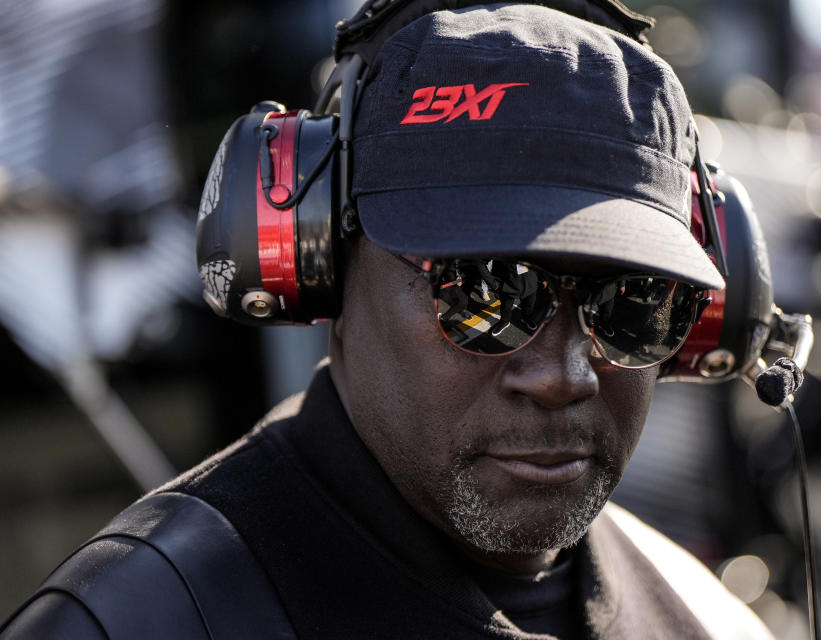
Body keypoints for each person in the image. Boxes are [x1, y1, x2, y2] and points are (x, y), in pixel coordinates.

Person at [1, 3, 775, 638]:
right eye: (484, 292)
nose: (561, 372)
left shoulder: (708, 620)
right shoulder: (135, 624)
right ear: (320, 263)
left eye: (632, 305)